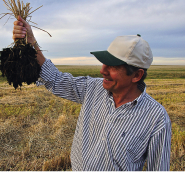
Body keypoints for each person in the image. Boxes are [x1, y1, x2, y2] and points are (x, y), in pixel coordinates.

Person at [12, 16, 171, 171]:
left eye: (113, 66)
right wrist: (31, 42)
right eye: (104, 62)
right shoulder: (93, 88)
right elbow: (54, 79)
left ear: (137, 75)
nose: (102, 71)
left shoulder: (156, 119)